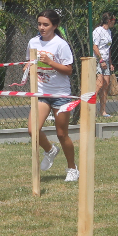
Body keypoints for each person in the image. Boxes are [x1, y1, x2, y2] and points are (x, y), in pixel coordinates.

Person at [28, 9, 78, 181]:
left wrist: (50, 62)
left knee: (62, 134)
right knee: (33, 130)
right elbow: (30, 61)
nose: (42, 28)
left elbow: (69, 70)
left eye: (46, 25)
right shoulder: (33, 42)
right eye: (39, 24)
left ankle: (72, 168)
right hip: (41, 92)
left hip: (60, 94)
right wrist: (28, 66)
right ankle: (50, 150)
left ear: (55, 26)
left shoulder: (60, 44)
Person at [92, 12, 116, 118]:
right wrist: (101, 60)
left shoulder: (109, 32)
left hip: (106, 61)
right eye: (114, 20)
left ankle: (103, 111)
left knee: (106, 85)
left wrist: (110, 62)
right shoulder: (98, 31)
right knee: (99, 84)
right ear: (109, 20)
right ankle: (90, 109)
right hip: (98, 60)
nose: (114, 22)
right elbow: (95, 47)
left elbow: (108, 49)